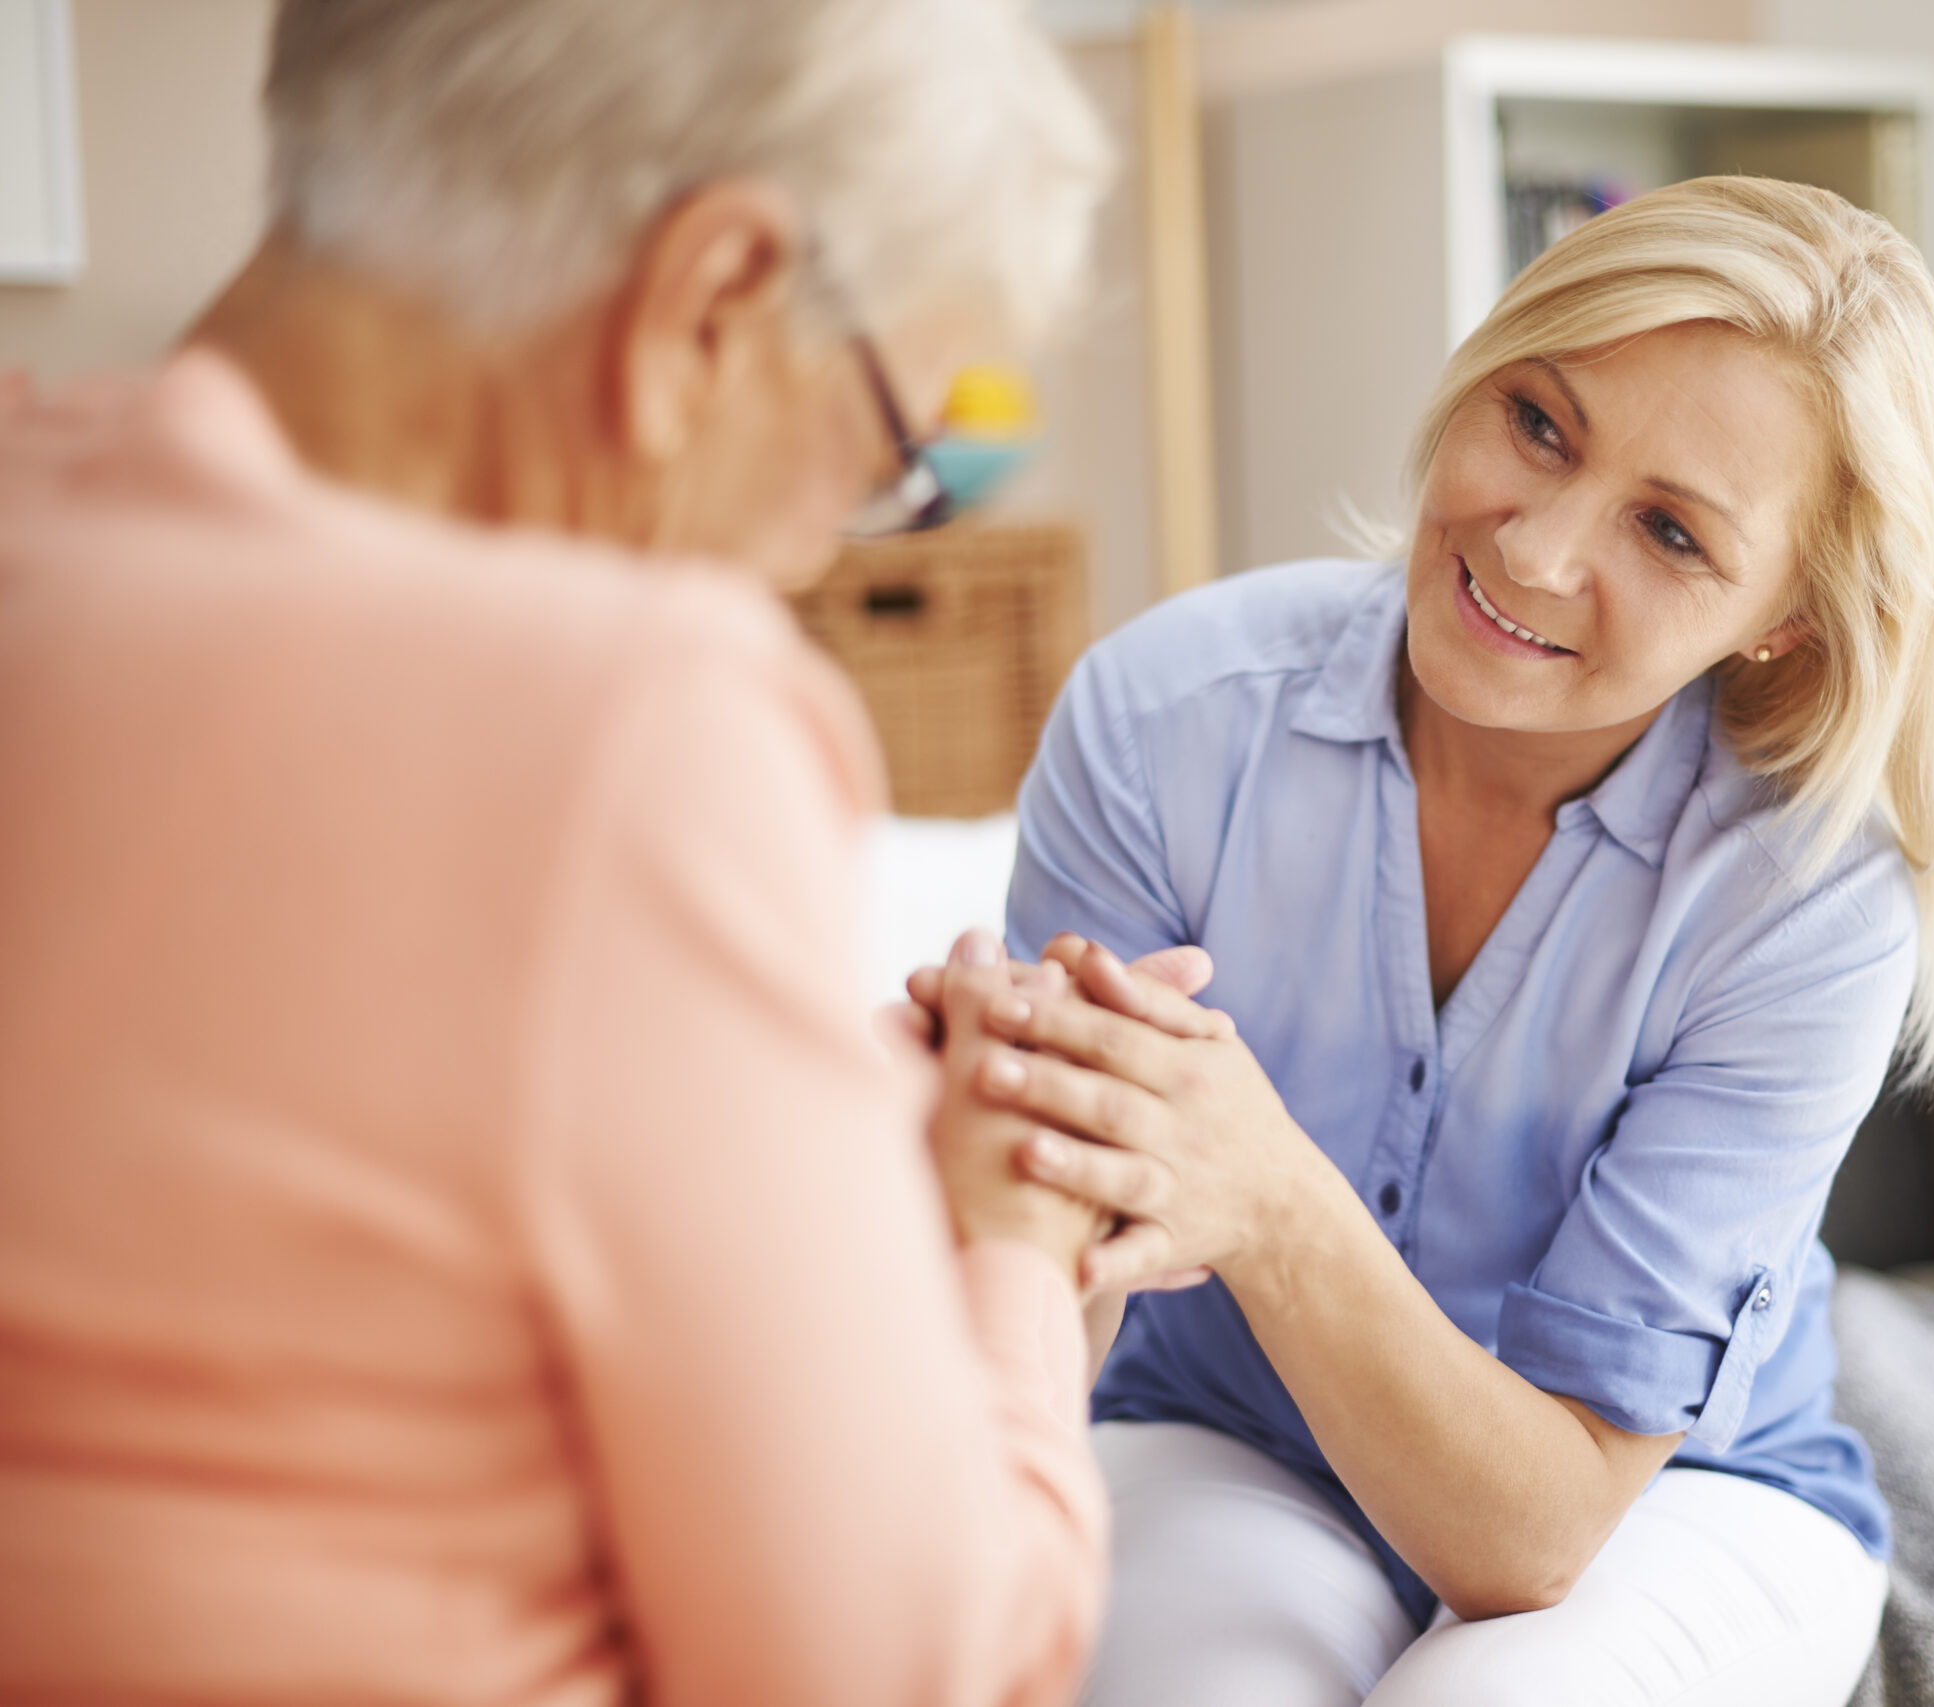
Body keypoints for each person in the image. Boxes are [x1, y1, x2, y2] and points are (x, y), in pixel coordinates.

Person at [0, 2, 1145, 1703]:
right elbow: (904, 1670)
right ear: (714, 296)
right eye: (880, 455)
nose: (813, 557)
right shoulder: (635, 723)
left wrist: (802, 1129)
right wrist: (1019, 1259)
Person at [953, 177, 1934, 1705]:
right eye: (1538, 424)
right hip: (1227, 1439)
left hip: (1670, 1506)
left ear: (1789, 620)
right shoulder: (1162, 720)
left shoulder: (1807, 902)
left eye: (1670, 531)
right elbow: (1049, 1297)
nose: (1536, 550)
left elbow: (1535, 1536)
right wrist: (990, 1166)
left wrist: (1263, 1192)